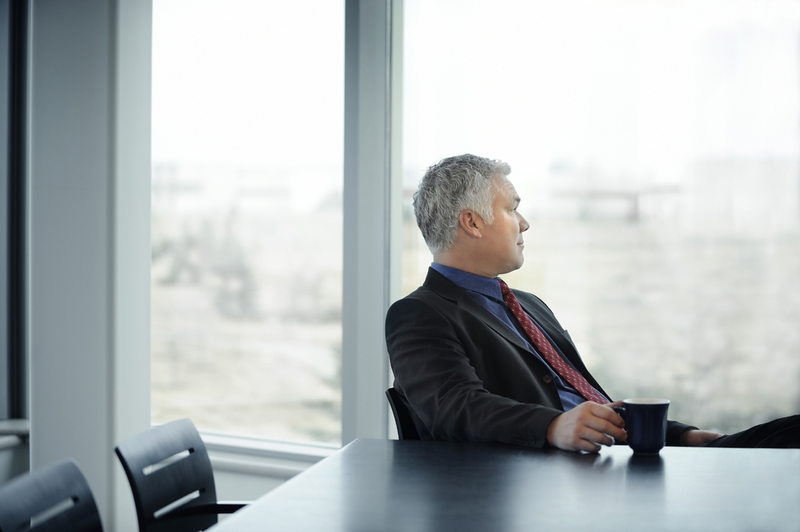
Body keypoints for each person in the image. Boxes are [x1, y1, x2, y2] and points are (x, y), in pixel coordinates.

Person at [385, 154, 800, 452]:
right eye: (512, 209)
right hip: (544, 485)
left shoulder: (530, 306)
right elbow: (454, 407)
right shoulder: (420, 313)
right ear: (472, 223)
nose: (525, 223)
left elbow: (589, 403)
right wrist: (553, 427)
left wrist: (678, 435)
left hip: (615, 461)